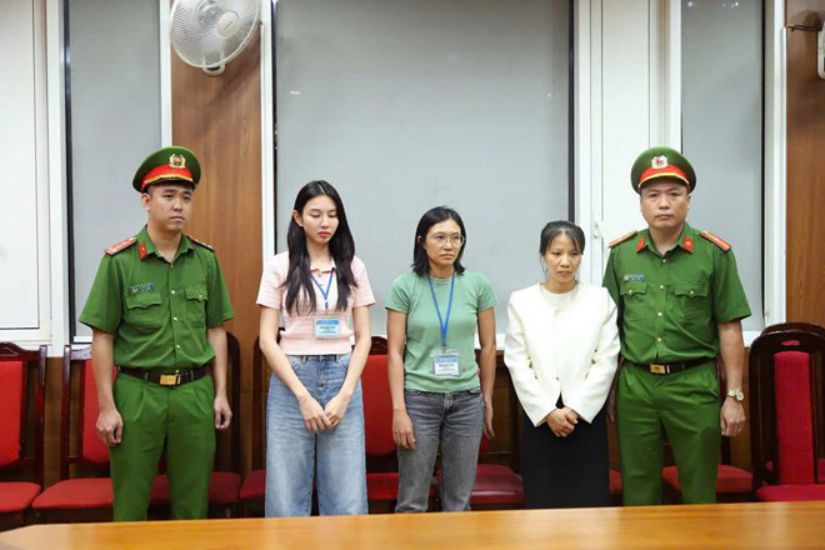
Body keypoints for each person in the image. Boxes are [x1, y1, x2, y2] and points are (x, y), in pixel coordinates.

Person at [80, 146, 234, 521]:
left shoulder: (205, 260)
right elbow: (102, 338)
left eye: (186, 197)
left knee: (193, 505)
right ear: (146, 202)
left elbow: (216, 330)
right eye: (168, 196)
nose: (179, 205)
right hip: (137, 393)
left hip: (193, 392)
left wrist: (221, 393)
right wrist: (106, 406)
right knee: (130, 505)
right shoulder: (120, 261)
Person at [603, 146, 751, 505]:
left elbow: (729, 328)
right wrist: (608, 389)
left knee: (699, 488)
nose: (664, 203)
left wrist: (734, 396)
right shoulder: (622, 254)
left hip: (693, 384)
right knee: (637, 488)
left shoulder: (713, 254)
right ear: (641, 203)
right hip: (635, 386)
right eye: (653, 195)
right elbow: (608, 329)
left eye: (674, 194)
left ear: (689, 200)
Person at [257, 180, 374, 517]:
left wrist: (346, 394)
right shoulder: (279, 265)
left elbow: (363, 337)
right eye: (316, 214)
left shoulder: (353, 265)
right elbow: (267, 339)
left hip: (342, 375)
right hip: (292, 378)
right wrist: (302, 396)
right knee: (286, 494)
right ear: (297, 217)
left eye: (333, 215)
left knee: (346, 496)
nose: (326, 223)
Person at [386, 206, 497, 513]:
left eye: (456, 238)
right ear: (422, 241)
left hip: (466, 401)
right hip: (419, 399)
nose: (449, 245)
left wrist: (486, 399)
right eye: (440, 237)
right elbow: (394, 351)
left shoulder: (477, 284)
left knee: (459, 501)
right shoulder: (404, 286)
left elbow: (488, 347)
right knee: (412, 500)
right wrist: (399, 410)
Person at [504, 221, 619, 508]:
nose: (565, 262)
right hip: (541, 419)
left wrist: (576, 409)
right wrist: (547, 411)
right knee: (543, 502)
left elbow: (606, 359)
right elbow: (518, 362)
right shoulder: (522, 301)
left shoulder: (599, 299)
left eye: (574, 254)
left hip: (585, 417)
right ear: (543, 255)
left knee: (589, 502)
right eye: (557, 253)